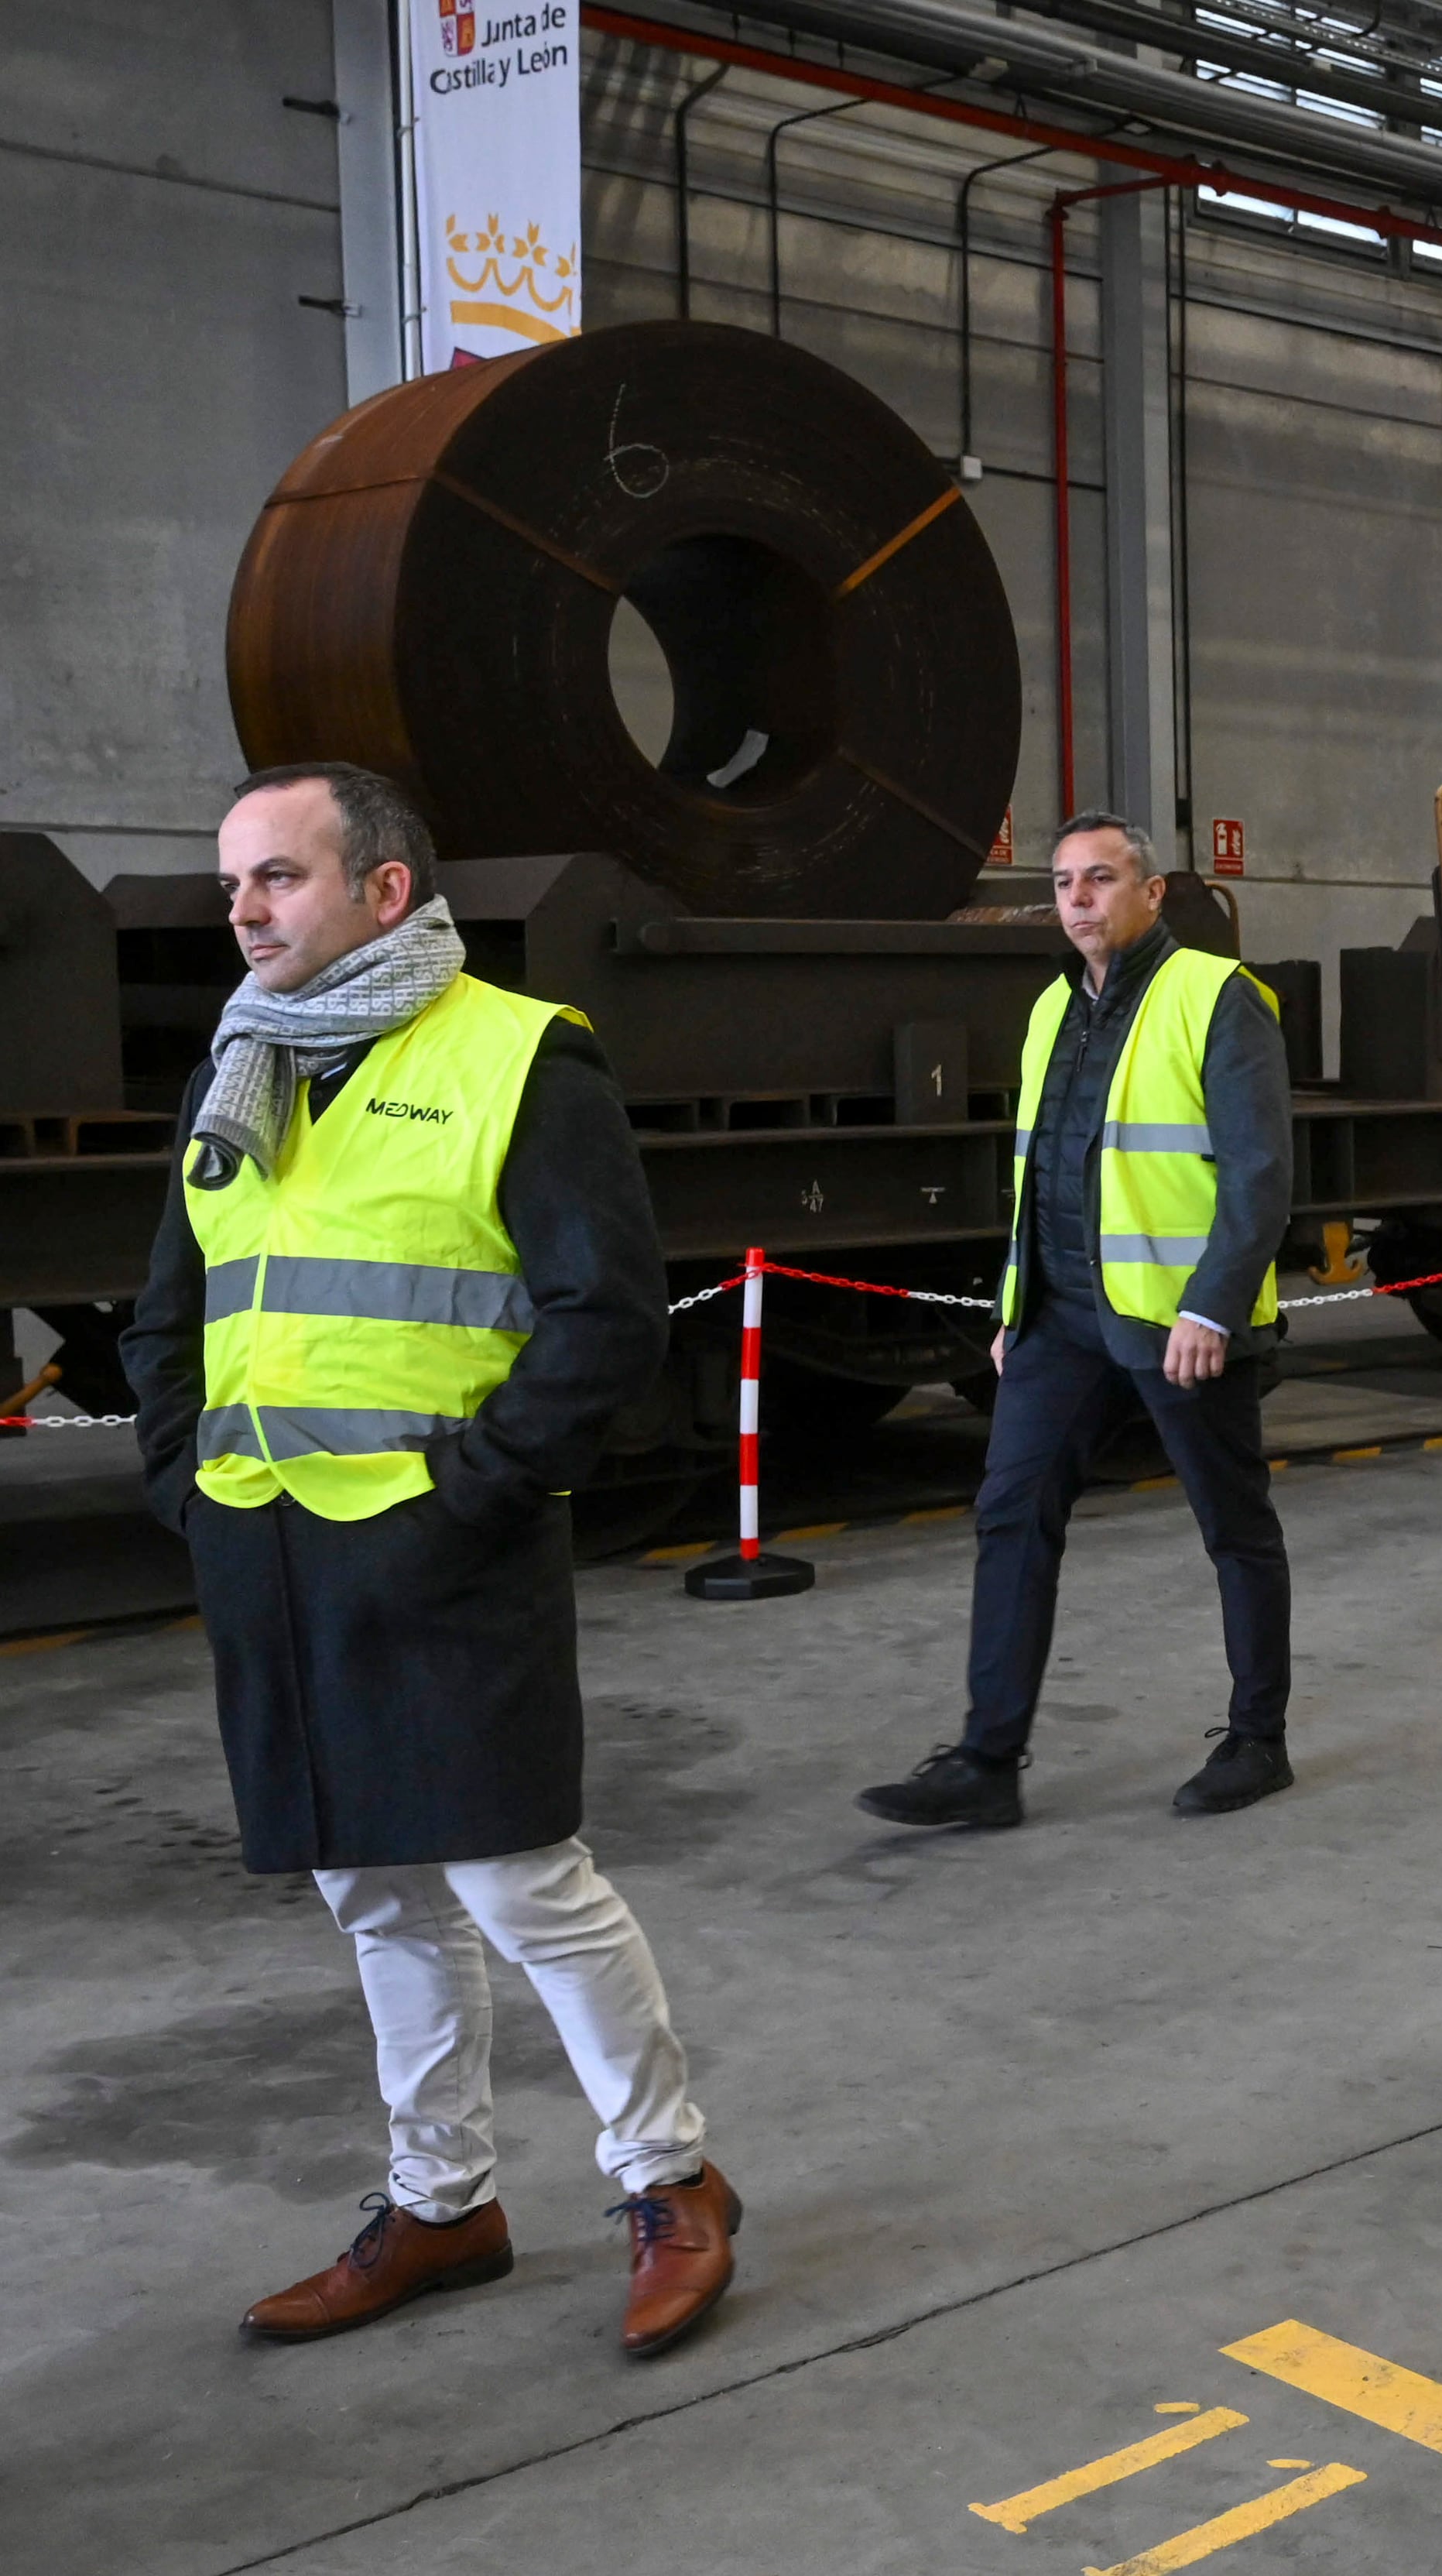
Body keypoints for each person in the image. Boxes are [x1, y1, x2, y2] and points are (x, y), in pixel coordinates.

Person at [121, 763, 739, 2358]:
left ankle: (672, 2181)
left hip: (445, 1550)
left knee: (521, 1881)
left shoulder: (518, 1057)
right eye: (233, 883)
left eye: (280, 877)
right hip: (270, 1551)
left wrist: (472, 1492)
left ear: (385, 892)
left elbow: (605, 1316)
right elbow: (172, 1304)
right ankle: (441, 2199)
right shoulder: (242, 1063)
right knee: (373, 1890)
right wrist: (182, 1475)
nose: (245, 910)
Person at [856, 815, 1300, 1831]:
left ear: (1152, 892)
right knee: (1011, 1510)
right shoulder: (1052, 1005)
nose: (1079, 899)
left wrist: (1211, 1303)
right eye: (1063, 883)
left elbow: (1261, 1172)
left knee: (1232, 1526)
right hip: (1061, 1317)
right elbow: (1042, 1166)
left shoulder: (1217, 998)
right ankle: (986, 1758)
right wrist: (1019, 1304)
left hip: (1175, 1321)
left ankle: (1258, 1737)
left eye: (1101, 879)